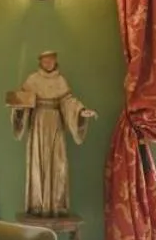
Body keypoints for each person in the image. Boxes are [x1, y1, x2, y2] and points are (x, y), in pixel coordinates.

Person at [6, 51, 94, 217]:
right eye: (45, 61)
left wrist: (81, 112)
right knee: (37, 162)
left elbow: (68, 102)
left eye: (51, 60)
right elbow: (22, 101)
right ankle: (37, 204)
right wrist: (18, 110)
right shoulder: (32, 80)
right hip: (38, 125)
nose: (48, 63)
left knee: (57, 163)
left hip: (55, 125)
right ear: (40, 62)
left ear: (55, 62)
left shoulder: (61, 81)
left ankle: (56, 204)